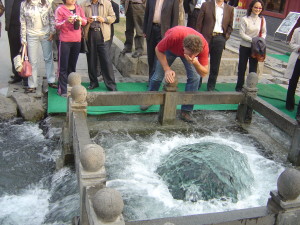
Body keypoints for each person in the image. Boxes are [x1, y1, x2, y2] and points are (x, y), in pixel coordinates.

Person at [140, 26, 209, 123]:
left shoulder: (203, 46)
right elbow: (158, 49)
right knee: (158, 75)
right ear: (183, 47)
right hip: (171, 49)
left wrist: (195, 62)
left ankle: (186, 110)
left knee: (195, 78)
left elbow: (204, 73)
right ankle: (150, 98)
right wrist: (167, 69)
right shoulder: (174, 36)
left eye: (195, 55)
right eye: (189, 54)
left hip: (186, 48)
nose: (192, 57)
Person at [20, 0, 57, 94]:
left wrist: (52, 32)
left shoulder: (46, 3)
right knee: (33, 61)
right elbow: (22, 22)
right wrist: (23, 39)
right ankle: (32, 85)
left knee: (48, 58)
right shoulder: (24, 4)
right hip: (31, 34)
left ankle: (51, 80)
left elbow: (52, 17)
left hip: (45, 33)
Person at [196, 0, 234, 91]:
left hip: (219, 38)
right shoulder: (206, 5)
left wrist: (225, 37)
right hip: (205, 38)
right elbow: (199, 23)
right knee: (201, 61)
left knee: (215, 64)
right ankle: (197, 84)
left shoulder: (230, 9)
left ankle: (211, 86)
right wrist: (199, 37)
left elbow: (230, 26)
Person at [81, 0, 117, 91]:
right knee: (91, 59)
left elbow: (113, 17)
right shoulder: (83, 5)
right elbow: (81, 19)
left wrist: (104, 19)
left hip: (103, 34)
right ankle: (93, 82)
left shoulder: (107, 3)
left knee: (106, 60)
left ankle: (111, 84)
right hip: (90, 34)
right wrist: (86, 20)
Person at [55, 0, 87, 97]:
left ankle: (72, 87)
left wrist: (80, 19)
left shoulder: (78, 8)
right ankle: (62, 89)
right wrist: (66, 21)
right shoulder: (60, 9)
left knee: (72, 66)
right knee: (63, 66)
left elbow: (85, 21)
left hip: (77, 41)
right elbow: (57, 25)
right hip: (65, 41)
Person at [143, 0, 179, 82]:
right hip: (151, 30)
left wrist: (172, 34)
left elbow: (175, 19)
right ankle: (151, 79)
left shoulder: (173, 1)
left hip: (164, 32)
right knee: (151, 57)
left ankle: (156, 80)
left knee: (159, 57)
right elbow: (147, 14)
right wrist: (145, 30)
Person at [235, 0, 266, 92]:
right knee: (242, 67)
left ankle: (251, 87)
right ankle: (239, 86)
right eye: (256, 7)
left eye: (260, 8)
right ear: (251, 7)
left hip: (256, 48)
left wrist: (260, 40)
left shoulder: (262, 20)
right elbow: (242, 34)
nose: (257, 9)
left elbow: (264, 32)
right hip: (245, 46)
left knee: (253, 68)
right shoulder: (245, 19)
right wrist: (253, 40)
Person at [5, 0, 28, 86]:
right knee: (14, 51)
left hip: (24, 26)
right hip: (11, 25)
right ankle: (17, 74)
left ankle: (26, 76)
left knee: (25, 52)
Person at [284, 27, 300, 111]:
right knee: (293, 81)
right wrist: (298, 47)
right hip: (297, 60)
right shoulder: (297, 30)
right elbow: (291, 44)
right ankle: (289, 104)